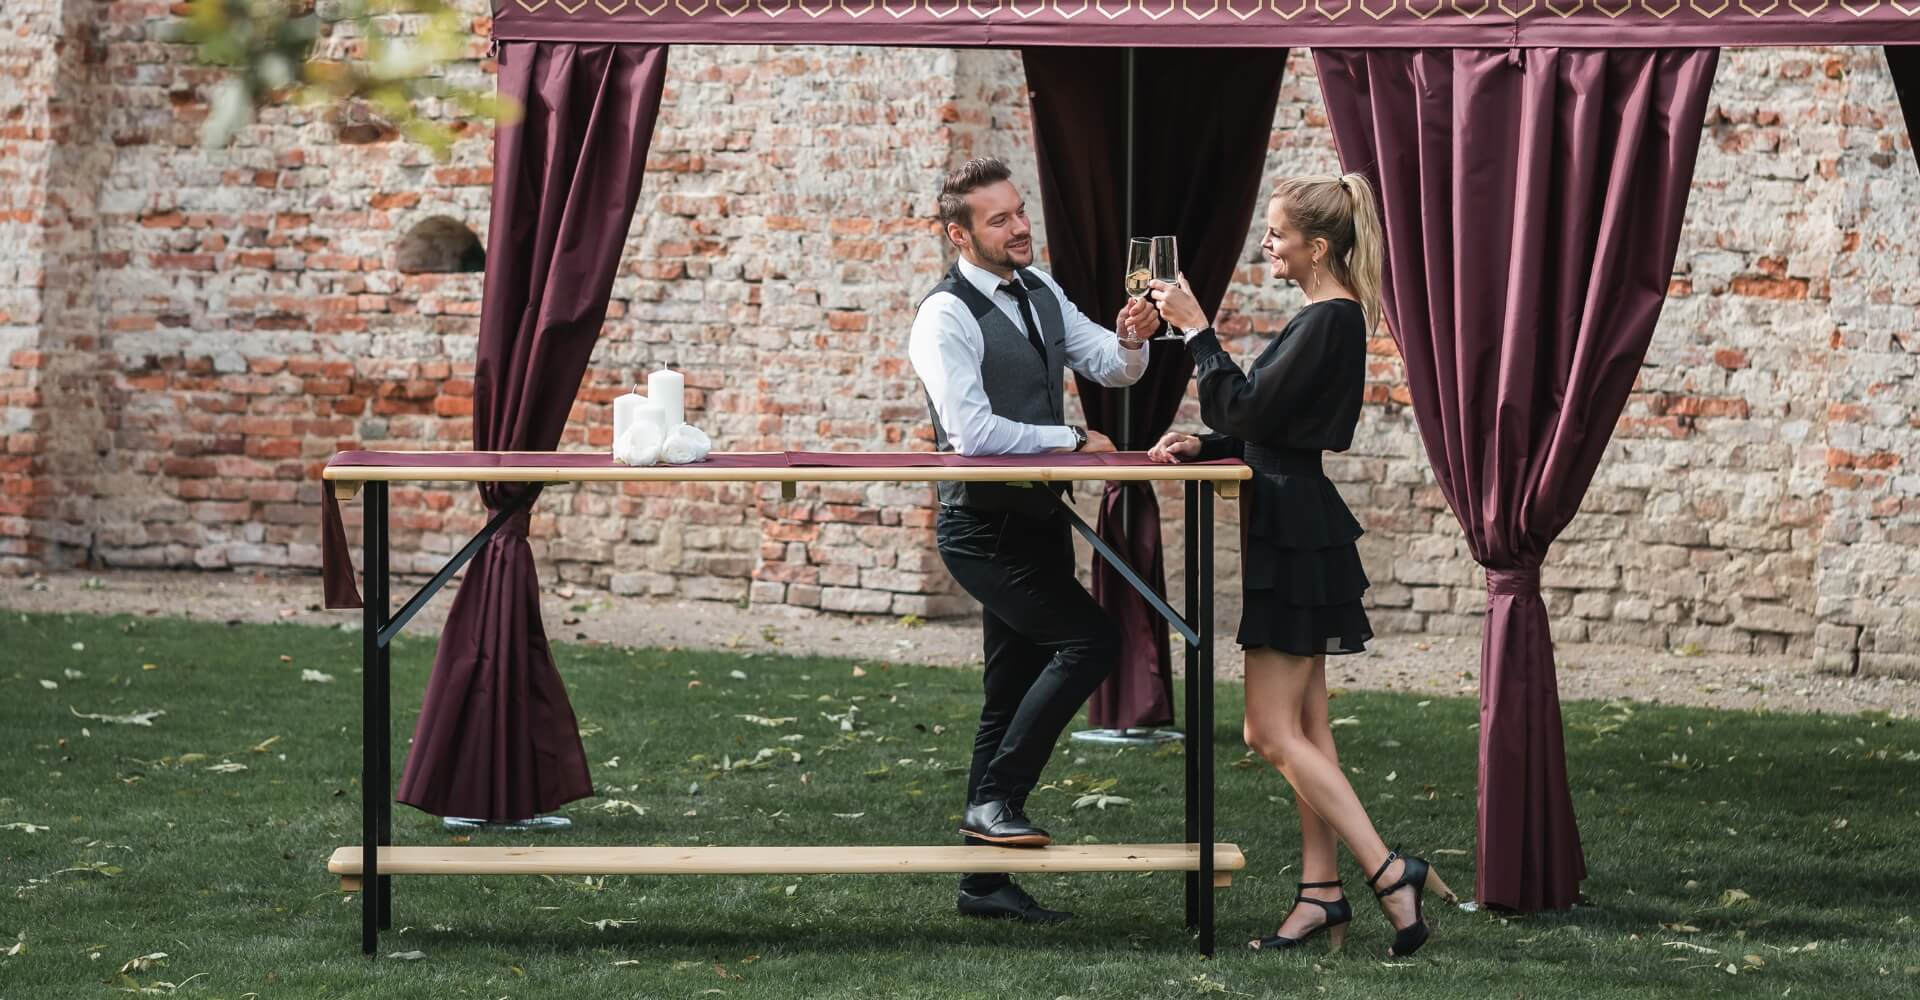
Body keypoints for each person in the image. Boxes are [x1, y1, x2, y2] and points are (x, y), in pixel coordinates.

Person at [1147, 173, 1455, 957]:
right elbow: (1268, 425)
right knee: (1309, 727)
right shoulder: (1328, 320)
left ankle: (1390, 873)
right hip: (1297, 524)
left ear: (1318, 247)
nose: (1268, 246)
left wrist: (1196, 330)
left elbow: (1246, 408)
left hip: (1292, 535)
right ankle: (1321, 894)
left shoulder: (1330, 321)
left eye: (1278, 235)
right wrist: (1206, 443)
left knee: (1267, 731)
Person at [909, 156, 1160, 924]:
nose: (1019, 227)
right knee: (1091, 640)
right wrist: (1071, 436)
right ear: (960, 233)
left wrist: (1134, 337)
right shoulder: (944, 315)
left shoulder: (1041, 289)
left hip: (1044, 521)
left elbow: (1111, 366)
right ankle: (995, 800)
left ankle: (983, 885)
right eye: (999, 219)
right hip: (980, 529)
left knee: (1006, 694)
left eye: (1020, 212)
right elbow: (970, 432)